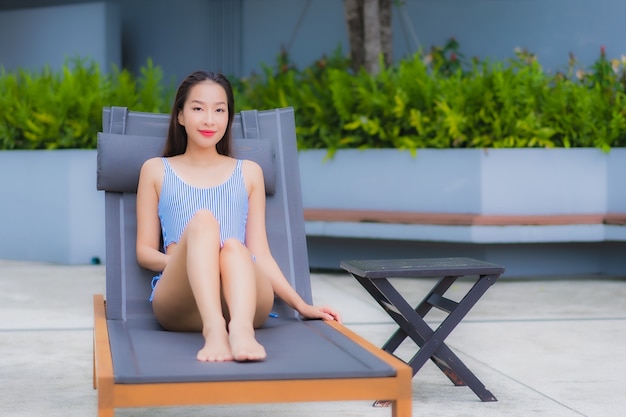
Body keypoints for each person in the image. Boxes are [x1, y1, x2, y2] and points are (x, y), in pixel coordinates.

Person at [135, 71, 341, 363]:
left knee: (233, 247)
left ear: (228, 118)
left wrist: (301, 305)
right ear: (180, 115)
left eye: (219, 110)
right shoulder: (155, 170)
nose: (209, 120)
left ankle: (241, 331)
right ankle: (215, 328)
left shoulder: (249, 172)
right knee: (204, 222)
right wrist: (199, 260)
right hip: (181, 303)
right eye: (198, 108)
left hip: (245, 302)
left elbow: (261, 255)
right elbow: (144, 253)